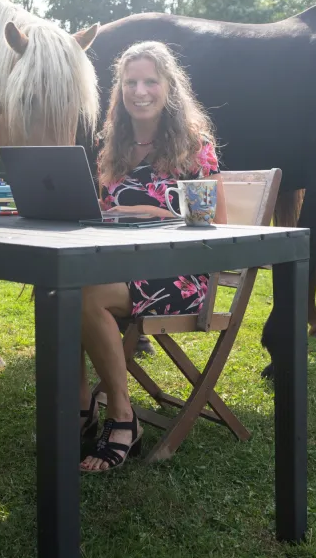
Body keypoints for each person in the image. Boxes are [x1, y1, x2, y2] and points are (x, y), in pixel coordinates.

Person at [79, 40, 225, 473]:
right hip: (120, 268)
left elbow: (209, 217)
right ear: (119, 90)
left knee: (86, 297)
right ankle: (80, 403)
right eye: (130, 82)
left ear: (169, 88)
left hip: (181, 276)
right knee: (58, 287)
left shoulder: (193, 144)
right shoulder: (112, 144)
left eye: (150, 81)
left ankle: (122, 419)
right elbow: (108, 209)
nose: (139, 91)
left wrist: (144, 210)